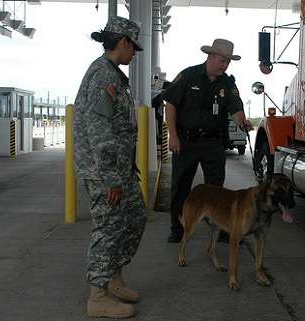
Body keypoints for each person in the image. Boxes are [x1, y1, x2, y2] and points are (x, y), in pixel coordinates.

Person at [74, 16, 146, 318]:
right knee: (108, 228)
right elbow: (98, 129)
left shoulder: (113, 74)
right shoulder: (103, 75)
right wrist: (111, 178)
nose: (134, 54)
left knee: (135, 218)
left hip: (119, 168)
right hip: (105, 171)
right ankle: (98, 296)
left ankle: (114, 278)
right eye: (134, 48)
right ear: (124, 42)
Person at [162, 38, 253, 243]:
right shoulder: (188, 75)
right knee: (181, 187)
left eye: (227, 62)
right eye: (222, 61)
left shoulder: (228, 83)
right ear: (210, 57)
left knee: (217, 190)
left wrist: (242, 122)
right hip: (186, 142)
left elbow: (236, 108)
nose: (224, 65)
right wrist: (173, 136)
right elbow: (170, 105)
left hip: (213, 143)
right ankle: (177, 228)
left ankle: (221, 229)